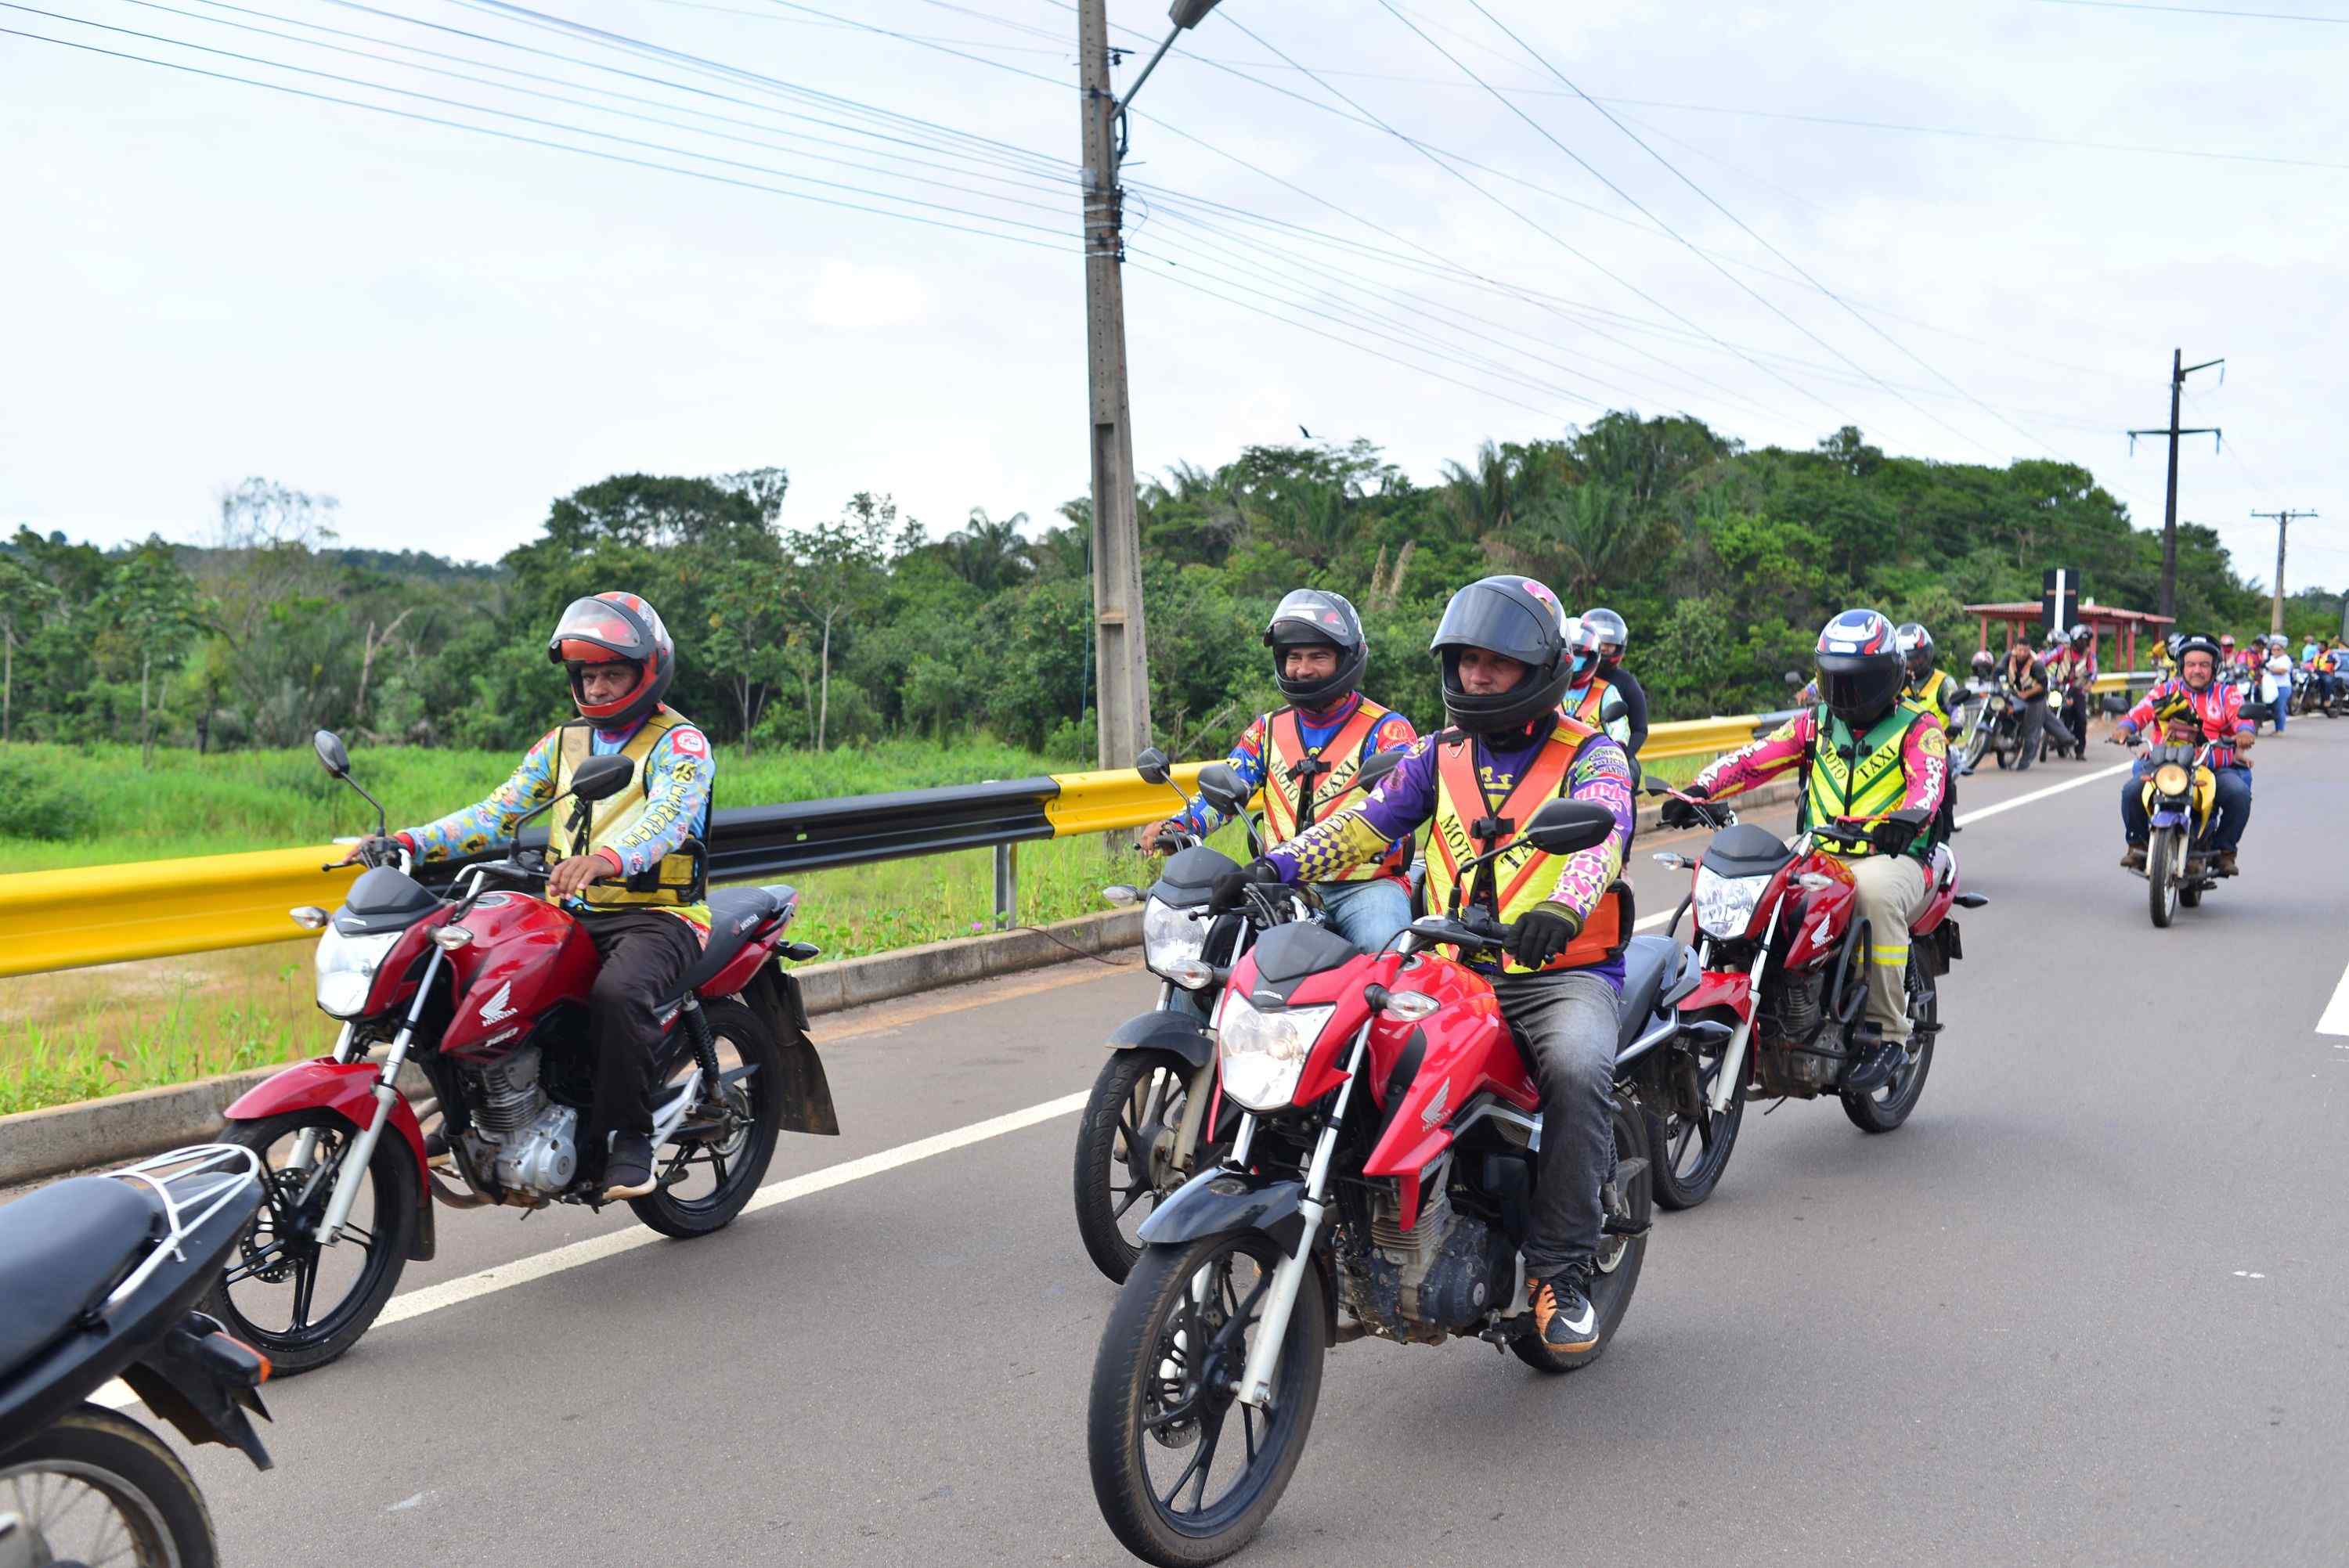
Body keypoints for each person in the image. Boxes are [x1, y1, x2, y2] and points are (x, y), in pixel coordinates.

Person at [1211, 574, 1635, 1356]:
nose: (1479, 675)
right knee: (1337, 1042)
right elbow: (1364, 824)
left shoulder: (1593, 754)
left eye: (1498, 663)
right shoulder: (1437, 753)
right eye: (1468, 660)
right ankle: (1350, 1215)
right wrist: (1276, 865)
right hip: (1448, 969)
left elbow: (1603, 836)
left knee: (1578, 1068)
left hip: (1557, 971)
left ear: (1541, 669)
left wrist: (1561, 909)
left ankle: (1559, 1272)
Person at [349, 593, 715, 1202]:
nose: (597, 687)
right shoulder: (563, 743)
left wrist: (606, 859)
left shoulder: (680, 744)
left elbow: (670, 820)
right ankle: (473, 1116)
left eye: (612, 673)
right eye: (588, 675)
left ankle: (631, 1137)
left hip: (657, 915)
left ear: (646, 672)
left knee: (618, 993)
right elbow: (496, 812)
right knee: (462, 973)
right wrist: (410, 840)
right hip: (569, 909)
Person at [1666, 609, 1947, 1095]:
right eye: (1836, 681)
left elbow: (1930, 783)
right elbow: (1754, 760)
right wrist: (1697, 790)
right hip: (1819, 851)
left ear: (1889, 677)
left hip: (1894, 854)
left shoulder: (1919, 728)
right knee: (1752, 889)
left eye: (1858, 683)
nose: (1846, 694)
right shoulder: (1816, 723)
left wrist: (1906, 820)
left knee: (1874, 896)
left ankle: (1888, 1033)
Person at [1135, 589, 1417, 954]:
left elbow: (1402, 802)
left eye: (1318, 656)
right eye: (1293, 657)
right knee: (1218, 956)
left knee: (1384, 951)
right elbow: (1227, 789)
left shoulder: (1387, 730)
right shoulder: (1266, 731)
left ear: (1347, 658)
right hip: (1278, 886)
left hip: (1365, 886)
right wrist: (1179, 826)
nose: (1303, 669)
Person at [2109, 632, 2254, 877]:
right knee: (2131, 791)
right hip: (2166, 764)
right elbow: (2137, 714)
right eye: (2191, 664)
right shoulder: (2165, 692)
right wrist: (2124, 729)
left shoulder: (2227, 694)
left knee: (2239, 794)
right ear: (2181, 667)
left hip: (2212, 767)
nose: (2197, 670)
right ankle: (2137, 845)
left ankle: (2225, 851)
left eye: (2204, 665)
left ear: (2214, 667)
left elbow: (2243, 718)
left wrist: (2244, 733)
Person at [1898, 624, 1961, 835]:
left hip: (1935, 745)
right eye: (1908, 659)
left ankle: (1947, 823)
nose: (1913, 663)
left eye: (1918, 658)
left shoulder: (1944, 681)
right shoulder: (1893, 682)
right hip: (1897, 743)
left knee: (1946, 772)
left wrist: (1957, 724)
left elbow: (1956, 707)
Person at [1580, 607, 1649, 758]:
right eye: (1600, 643)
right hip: (1568, 750)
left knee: (1633, 770)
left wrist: (1622, 755)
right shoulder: (1569, 676)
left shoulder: (1626, 682)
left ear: (1619, 648)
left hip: (1610, 757)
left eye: (1609, 645)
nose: (1604, 648)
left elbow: (1640, 729)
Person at [1558, 616, 1633, 748]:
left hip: (1592, 755)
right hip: (1547, 754)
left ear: (1593, 657)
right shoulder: (1546, 686)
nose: (1574, 659)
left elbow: (1619, 727)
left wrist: (1618, 745)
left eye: (1580, 654)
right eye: (1569, 652)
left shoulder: (1607, 691)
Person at [2000, 636, 2057, 771]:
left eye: (2025, 651)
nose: (2022, 653)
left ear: (2029, 650)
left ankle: (2025, 762)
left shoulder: (2037, 662)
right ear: (2015, 649)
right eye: (2019, 650)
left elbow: (2043, 684)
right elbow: (1999, 670)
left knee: (2031, 733)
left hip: (2035, 698)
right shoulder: (2009, 657)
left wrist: (2027, 694)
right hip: (2015, 694)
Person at [2044, 623, 2098, 752]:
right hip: (2059, 687)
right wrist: (2037, 668)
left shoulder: (2090, 655)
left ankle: (2080, 750)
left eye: (2086, 641)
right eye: (2081, 641)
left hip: (2077, 690)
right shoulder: (2062, 650)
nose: (2084, 644)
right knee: (2048, 709)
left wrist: (2089, 683)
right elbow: (2046, 659)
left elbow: (2094, 672)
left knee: (2081, 719)